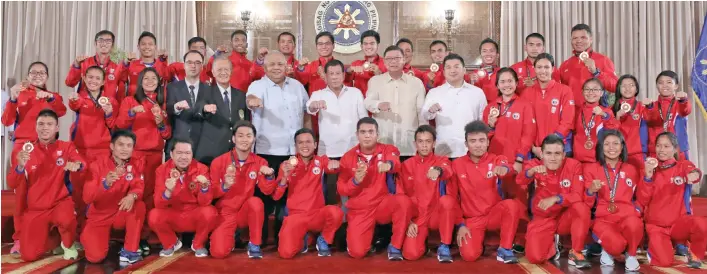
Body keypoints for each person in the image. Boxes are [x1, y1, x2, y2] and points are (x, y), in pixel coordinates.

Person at [246, 51, 311, 247]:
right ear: (265, 68)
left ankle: (286, 238)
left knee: (290, 200)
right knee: (265, 199)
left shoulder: (298, 87)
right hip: (267, 152)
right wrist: (253, 101)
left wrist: (308, 138)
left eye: (280, 64)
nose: (276, 67)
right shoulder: (257, 86)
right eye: (271, 64)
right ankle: (261, 239)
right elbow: (250, 99)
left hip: (293, 152)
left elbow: (306, 113)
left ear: (287, 66)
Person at [8, 109, 85, 262]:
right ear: (35, 127)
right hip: (36, 208)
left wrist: (77, 166)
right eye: (41, 124)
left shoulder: (66, 147)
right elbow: (12, 183)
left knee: (67, 219)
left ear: (57, 128)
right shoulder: (25, 151)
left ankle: (68, 244)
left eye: (50, 124)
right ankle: (53, 241)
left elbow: (83, 164)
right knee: (28, 256)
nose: (45, 128)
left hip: (59, 203)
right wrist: (20, 166)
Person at [336, 117, 412, 260]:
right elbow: (342, 189)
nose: (367, 135)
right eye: (363, 132)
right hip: (360, 209)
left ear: (377, 134)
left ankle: (395, 247)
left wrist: (388, 165)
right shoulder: (347, 157)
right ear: (357, 134)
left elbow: (395, 162)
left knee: (403, 202)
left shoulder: (388, 149)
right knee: (357, 253)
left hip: (382, 205)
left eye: (371, 132)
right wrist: (355, 181)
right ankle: (371, 234)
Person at [518, 135, 591, 268]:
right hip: (543, 218)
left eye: (557, 153)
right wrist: (531, 172)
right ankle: (553, 243)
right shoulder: (534, 165)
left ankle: (576, 252)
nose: (553, 158)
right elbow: (520, 180)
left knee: (581, 208)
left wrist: (557, 198)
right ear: (541, 154)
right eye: (548, 153)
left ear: (563, 155)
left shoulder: (574, 165)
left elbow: (577, 195)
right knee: (534, 257)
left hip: (564, 217)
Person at [452, 121, 520, 264]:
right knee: (469, 256)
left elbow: (509, 167)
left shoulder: (496, 159)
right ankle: (481, 241)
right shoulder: (457, 164)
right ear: (466, 144)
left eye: (482, 140)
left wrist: (505, 169)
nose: (478, 145)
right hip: (472, 219)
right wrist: (460, 225)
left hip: (493, 215)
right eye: (473, 141)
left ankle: (505, 248)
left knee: (511, 205)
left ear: (488, 142)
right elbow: (453, 197)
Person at [208, 121, 278, 259]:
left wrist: (269, 176)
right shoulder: (218, 162)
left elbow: (267, 191)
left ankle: (254, 244)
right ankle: (231, 237)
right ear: (233, 139)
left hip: (244, 211)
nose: (244, 139)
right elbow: (210, 194)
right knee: (218, 253)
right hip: (225, 213)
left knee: (256, 202)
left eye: (248, 136)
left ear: (254, 139)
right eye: (240, 136)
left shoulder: (260, 162)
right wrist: (224, 186)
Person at [637, 132, 705, 269]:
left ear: (675, 149)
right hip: (656, 226)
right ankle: (654, 248)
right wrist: (648, 177)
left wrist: (694, 175)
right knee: (664, 262)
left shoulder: (682, 166)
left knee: (701, 224)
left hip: (678, 224)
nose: (661, 150)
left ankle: (696, 255)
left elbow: (695, 172)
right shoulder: (648, 169)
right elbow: (642, 200)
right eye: (658, 146)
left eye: (666, 146)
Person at [67, 65, 120, 238]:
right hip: (80, 151)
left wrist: (109, 113)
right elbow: (73, 104)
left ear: (104, 81)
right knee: (79, 191)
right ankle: (77, 231)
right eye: (90, 77)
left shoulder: (110, 101)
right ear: (84, 78)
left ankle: (95, 229)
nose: (93, 81)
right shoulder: (81, 98)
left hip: (102, 152)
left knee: (99, 191)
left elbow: (113, 125)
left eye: (97, 78)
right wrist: (73, 98)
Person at [274, 128, 343, 258]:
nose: (304, 145)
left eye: (308, 142)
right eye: (300, 142)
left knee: (336, 212)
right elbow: (277, 195)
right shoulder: (286, 165)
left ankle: (323, 239)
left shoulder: (321, 160)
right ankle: (305, 237)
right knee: (286, 253)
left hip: (316, 215)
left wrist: (336, 164)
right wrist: (285, 177)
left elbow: (333, 167)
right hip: (295, 217)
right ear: (295, 146)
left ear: (315, 145)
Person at [306, 59, 367, 206]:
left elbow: (364, 119)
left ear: (343, 75)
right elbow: (309, 107)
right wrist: (314, 105)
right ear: (325, 76)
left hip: (352, 149)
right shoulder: (318, 94)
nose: (334, 77)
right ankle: (330, 221)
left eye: (338, 73)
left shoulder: (355, 93)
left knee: (352, 189)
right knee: (329, 191)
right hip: (328, 151)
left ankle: (349, 221)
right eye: (331, 74)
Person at [116, 67, 172, 227]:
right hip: (135, 153)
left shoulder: (162, 103)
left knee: (150, 193)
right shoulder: (130, 100)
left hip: (155, 154)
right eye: (146, 78)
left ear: (159, 83)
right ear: (140, 81)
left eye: (154, 79)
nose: (150, 82)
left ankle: (146, 233)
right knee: (133, 191)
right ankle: (131, 231)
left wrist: (160, 122)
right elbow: (120, 124)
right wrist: (132, 112)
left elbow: (166, 134)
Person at [81, 130, 146, 264]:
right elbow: (87, 198)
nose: (125, 149)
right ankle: (88, 235)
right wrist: (105, 184)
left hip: (119, 213)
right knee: (94, 258)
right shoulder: (96, 165)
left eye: (129, 146)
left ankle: (129, 251)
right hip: (100, 216)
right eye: (121, 145)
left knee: (139, 205)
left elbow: (138, 186)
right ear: (112, 146)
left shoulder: (135, 164)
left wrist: (132, 195)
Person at [582, 129, 641, 271]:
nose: (611, 148)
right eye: (607, 144)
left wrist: (637, 210)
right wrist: (591, 191)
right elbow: (587, 203)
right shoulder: (591, 168)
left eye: (616, 143)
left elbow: (642, 195)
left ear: (622, 147)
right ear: (601, 147)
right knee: (616, 246)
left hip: (626, 217)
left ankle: (631, 255)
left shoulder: (632, 169)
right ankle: (607, 249)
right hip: (603, 220)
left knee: (635, 223)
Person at [482, 68, 535, 222]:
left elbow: (528, 134)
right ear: (497, 85)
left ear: (516, 83)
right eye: (502, 82)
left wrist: (519, 159)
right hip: (495, 161)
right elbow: (484, 138)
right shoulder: (490, 107)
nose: (507, 85)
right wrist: (490, 126)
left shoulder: (525, 105)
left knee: (519, 199)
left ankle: (519, 239)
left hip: (516, 160)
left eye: (510, 81)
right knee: (496, 199)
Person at [148, 138, 218, 257]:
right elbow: (158, 204)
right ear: (171, 154)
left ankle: (198, 245)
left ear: (192, 154)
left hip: (194, 214)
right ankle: (171, 243)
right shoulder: (161, 170)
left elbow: (205, 203)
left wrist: (205, 188)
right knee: (154, 215)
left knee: (210, 212)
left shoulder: (202, 169)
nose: (183, 157)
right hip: (173, 213)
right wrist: (168, 191)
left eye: (187, 153)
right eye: (179, 153)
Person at [399, 125, 456, 262]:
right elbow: (401, 196)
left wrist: (438, 170)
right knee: (410, 254)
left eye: (428, 141)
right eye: (420, 141)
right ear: (415, 144)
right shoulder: (406, 165)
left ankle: (445, 244)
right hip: (417, 217)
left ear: (434, 143)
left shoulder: (442, 161)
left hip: (437, 214)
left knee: (447, 201)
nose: (424, 145)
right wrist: (408, 221)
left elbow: (447, 170)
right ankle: (423, 243)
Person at [364, 45, 426, 161]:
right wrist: (378, 105)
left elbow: (421, 112)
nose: (393, 62)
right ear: (384, 61)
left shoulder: (416, 83)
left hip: (409, 144)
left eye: (397, 58)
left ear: (404, 60)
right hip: (383, 142)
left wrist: (423, 138)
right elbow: (368, 102)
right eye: (389, 59)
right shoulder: (375, 81)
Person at [422, 54, 486, 159]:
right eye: (448, 67)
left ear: (464, 70)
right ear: (443, 72)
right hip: (444, 150)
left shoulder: (477, 93)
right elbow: (425, 115)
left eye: (456, 66)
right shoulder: (435, 92)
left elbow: (483, 121)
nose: (453, 70)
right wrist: (431, 110)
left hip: (470, 151)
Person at [194, 56, 250, 165]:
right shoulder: (204, 91)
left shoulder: (241, 95)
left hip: (235, 154)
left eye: (226, 69)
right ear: (213, 73)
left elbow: (246, 123)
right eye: (219, 70)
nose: (223, 73)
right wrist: (205, 108)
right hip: (210, 155)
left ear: (231, 71)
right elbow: (197, 108)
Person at [520, 53, 575, 158]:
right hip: (535, 150)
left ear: (553, 69)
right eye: (539, 67)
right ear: (534, 69)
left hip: (559, 147)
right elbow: (523, 124)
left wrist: (550, 147)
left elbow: (568, 121)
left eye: (546, 67)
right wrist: (532, 148)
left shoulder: (565, 90)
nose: (543, 71)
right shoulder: (526, 93)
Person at [3, 62, 67, 143]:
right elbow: (6, 121)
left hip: (47, 144)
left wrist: (50, 98)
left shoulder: (53, 96)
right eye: (33, 72)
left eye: (42, 72)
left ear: (47, 77)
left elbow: (61, 112)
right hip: (24, 144)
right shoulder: (18, 94)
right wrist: (13, 99)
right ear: (28, 76)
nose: (38, 75)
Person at [559, 24, 618, 108]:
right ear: (571, 41)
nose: (579, 41)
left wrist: (596, 72)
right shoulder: (565, 65)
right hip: (572, 115)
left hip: (596, 114)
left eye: (583, 37)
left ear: (591, 40)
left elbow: (616, 87)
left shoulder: (603, 60)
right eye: (575, 38)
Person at [166, 50, 210, 152]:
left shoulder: (210, 89)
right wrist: (176, 107)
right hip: (178, 144)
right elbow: (168, 108)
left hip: (202, 146)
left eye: (197, 63)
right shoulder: (172, 87)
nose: (193, 66)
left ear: (202, 66)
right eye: (189, 62)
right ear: (184, 65)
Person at [643, 70, 692, 160]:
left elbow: (685, 110)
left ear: (676, 86)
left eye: (669, 82)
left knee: (681, 173)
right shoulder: (652, 106)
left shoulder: (680, 103)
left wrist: (683, 101)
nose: (665, 85)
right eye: (661, 83)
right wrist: (649, 107)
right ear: (657, 86)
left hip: (678, 150)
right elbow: (649, 119)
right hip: (657, 151)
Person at [65, 30, 126, 99]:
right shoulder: (84, 62)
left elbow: (121, 92)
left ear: (112, 45)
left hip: (108, 107)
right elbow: (70, 83)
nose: (104, 44)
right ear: (95, 43)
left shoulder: (117, 67)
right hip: (85, 106)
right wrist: (76, 66)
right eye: (101, 40)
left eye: (108, 41)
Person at [572, 78, 620, 163]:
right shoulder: (577, 111)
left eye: (595, 89)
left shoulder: (606, 111)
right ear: (582, 92)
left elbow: (614, 129)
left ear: (601, 93)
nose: (591, 92)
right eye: (587, 89)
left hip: (597, 160)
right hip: (578, 159)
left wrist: (604, 115)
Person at [612, 75, 648, 170]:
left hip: (638, 153)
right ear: (619, 88)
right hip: (617, 154)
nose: (627, 88)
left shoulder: (643, 107)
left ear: (636, 89)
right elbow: (609, 133)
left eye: (631, 85)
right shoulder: (611, 109)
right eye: (624, 86)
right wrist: (617, 117)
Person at [122, 31, 170, 102]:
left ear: (155, 47)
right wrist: (125, 64)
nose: (147, 47)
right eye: (143, 44)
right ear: (138, 47)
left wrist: (163, 60)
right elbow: (120, 78)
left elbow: (167, 80)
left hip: (156, 107)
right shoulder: (131, 65)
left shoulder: (162, 65)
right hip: (135, 106)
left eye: (150, 44)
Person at [346, 30, 387, 96]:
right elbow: (345, 83)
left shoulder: (386, 63)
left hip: (379, 103)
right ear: (361, 46)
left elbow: (391, 86)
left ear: (378, 45)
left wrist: (379, 74)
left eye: (372, 43)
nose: (368, 47)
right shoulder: (356, 64)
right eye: (365, 44)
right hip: (359, 103)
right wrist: (348, 70)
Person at [468, 38, 502, 104]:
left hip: (499, 111)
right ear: (480, 55)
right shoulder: (472, 76)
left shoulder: (504, 74)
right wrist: (471, 83)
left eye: (491, 51)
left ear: (497, 55)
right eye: (484, 51)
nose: (488, 54)